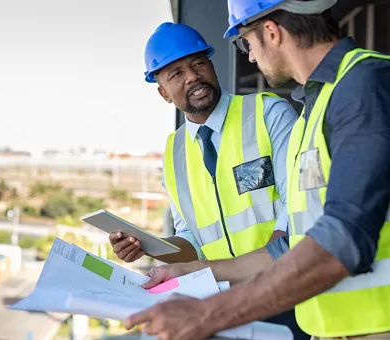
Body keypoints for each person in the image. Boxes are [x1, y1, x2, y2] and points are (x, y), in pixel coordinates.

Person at [123, 1, 390, 340]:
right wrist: (185, 269)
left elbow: (341, 238)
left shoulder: (363, 85)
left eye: (245, 41)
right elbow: (291, 245)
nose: (249, 56)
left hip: (374, 324)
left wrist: (207, 314)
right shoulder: (317, 107)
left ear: (271, 32)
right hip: (327, 324)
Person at [109, 22, 298, 266]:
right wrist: (148, 247)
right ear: (164, 94)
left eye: (198, 63)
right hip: (224, 294)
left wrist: (264, 272)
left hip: (285, 278)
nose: (193, 76)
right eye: (176, 74)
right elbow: (193, 241)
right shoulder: (174, 153)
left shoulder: (268, 114)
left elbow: (297, 203)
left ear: (211, 66)